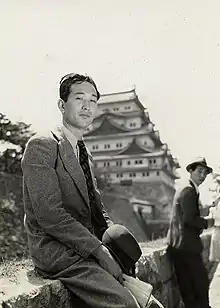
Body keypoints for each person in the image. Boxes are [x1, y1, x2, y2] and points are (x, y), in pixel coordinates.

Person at [21, 73, 138, 308]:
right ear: (62, 105)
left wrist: (112, 241)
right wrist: (101, 251)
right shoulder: (43, 145)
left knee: (139, 293)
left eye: (93, 100)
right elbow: (50, 216)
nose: (87, 106)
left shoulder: (83, 152)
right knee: (124, 303)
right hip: (57, 250)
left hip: (87, 244)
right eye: (79, 98)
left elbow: (97, 207)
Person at [166, 157, 215, 308]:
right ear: (191, 171)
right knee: (199, 285)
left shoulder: (188, 188)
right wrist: (208, 222)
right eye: (199, 171)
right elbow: (189, 219)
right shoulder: (188, 190)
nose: (202, 176)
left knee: (190, 287)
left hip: (180, 245)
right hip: (185, 246)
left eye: (205, 173)